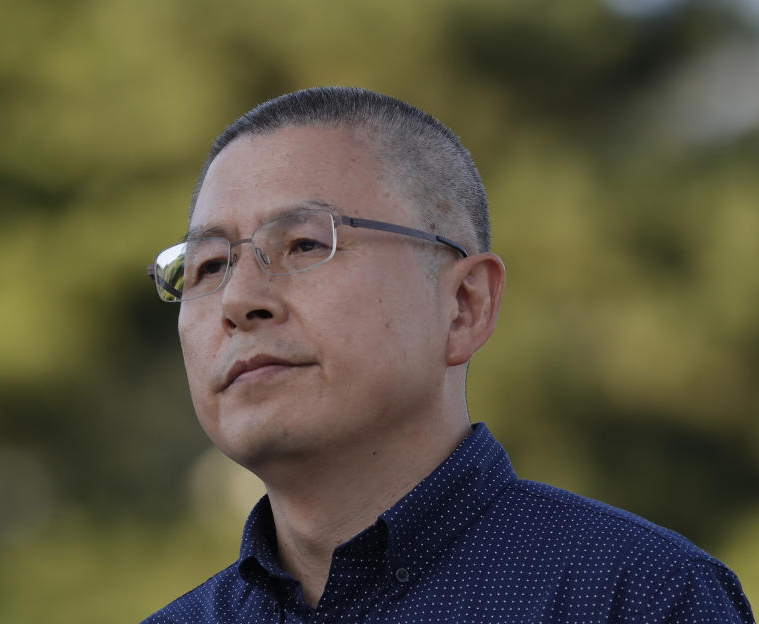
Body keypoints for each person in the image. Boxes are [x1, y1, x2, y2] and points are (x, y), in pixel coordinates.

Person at [142, 87, 753, 623]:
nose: (240, 299)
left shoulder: (637, 599)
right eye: (209, 266)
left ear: (464, 304)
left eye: (303, 243)